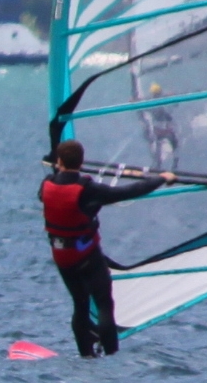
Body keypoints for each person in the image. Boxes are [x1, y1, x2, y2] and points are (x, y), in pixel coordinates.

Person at [40, 140, 169, 358]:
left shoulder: (46, 184)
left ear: (59, 162)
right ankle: (111, 355)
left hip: (62, 256)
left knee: (80, 305)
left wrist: (59, 166)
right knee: (104, 304)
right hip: (87, 255)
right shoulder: (88, 190)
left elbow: (56, 182)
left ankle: (86, 354)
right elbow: (130, 191)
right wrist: (161, 178)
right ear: (81, 162)